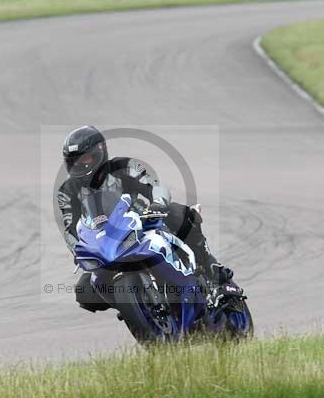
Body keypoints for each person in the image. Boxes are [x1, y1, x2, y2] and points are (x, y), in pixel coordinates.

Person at [56, 125, 243, 313]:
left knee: (180, 215)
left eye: (85, 158)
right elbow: (69, 228)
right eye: (75, 162)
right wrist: (78, 250)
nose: (80, 165)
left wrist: (158, 203)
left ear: (100, 152)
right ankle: (137, 306)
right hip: (106, 241)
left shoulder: (123, 167)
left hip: (140, 222)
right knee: (84, 291)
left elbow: (153, 186)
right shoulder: (67, 190)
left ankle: (215, 272)